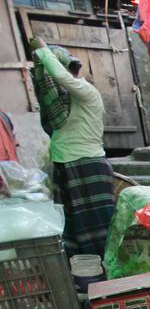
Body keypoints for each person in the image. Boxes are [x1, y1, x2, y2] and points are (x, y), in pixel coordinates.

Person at [29, 37, 114, 256]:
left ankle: (111, 273)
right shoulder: (61, 105)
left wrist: (43, 50)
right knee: (73, 228)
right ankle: (84, 275)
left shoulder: (87, 93)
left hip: (88, 165)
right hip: (65, 166)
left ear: (71, 71)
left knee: (99, 227)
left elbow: (59, 76)